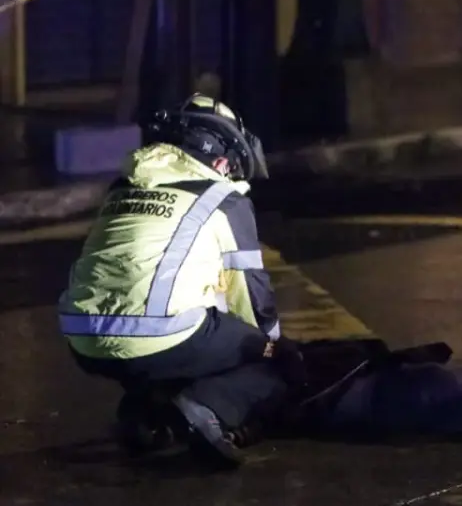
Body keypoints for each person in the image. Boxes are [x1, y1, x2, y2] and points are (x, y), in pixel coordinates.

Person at [58, 94, 298, 459]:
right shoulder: (224, 198)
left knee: (188, 335)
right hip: (157, 336)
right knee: (264, 360)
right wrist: (274, 349)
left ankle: (146, 411)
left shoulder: (125, 186)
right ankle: (209, 407)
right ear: (221, 159)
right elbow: (250, 293)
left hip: (82, 338)